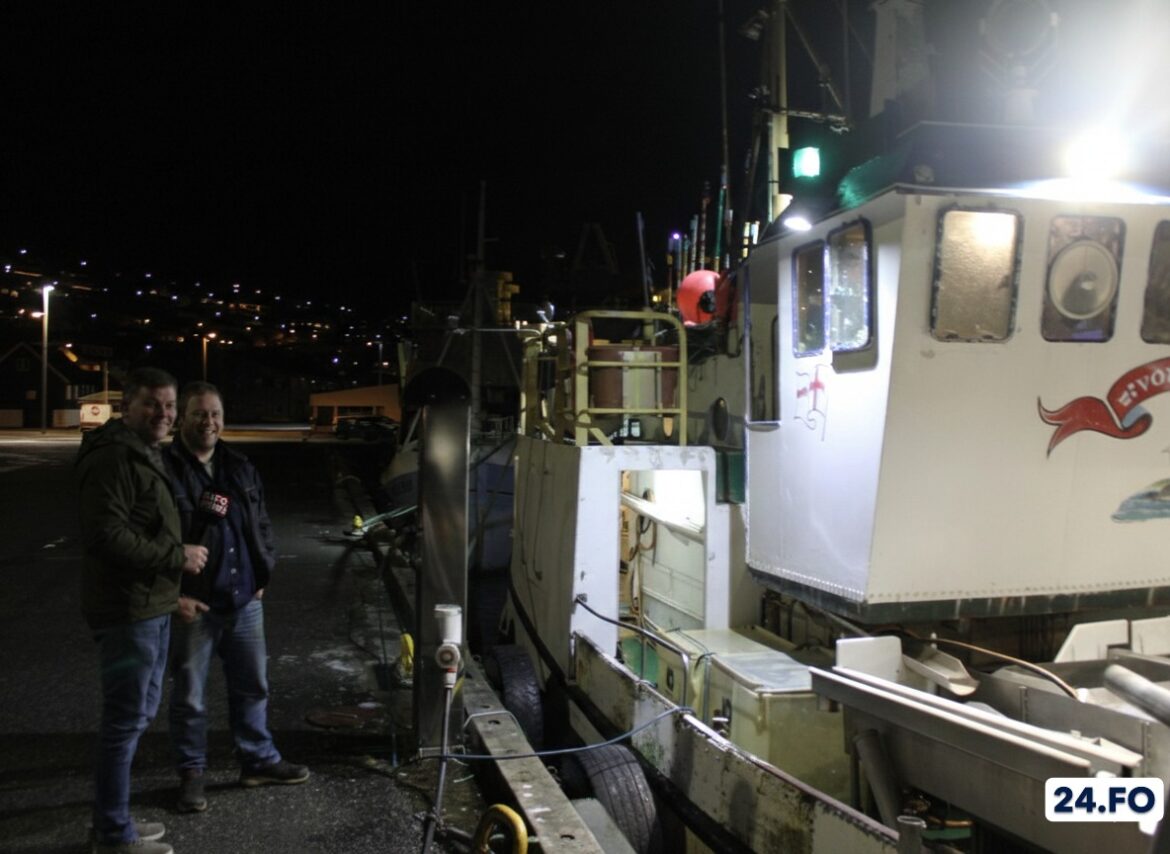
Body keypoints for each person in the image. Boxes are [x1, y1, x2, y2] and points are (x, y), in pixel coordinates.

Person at [77, 367, 209, 854]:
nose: (164, 414)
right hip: (128, 612)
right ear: (126, 407)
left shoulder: (140, 452)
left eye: (170, 405)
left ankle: (116, 821)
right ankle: (112, 833)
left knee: (135, 716)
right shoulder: (115, 458)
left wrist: (170, 595)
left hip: (147, 606)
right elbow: (106, 536)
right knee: (125, 719)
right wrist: (177, 557)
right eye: (152, 403)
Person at [164, 381, 308, 814]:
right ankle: (192, 773)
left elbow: (261, 522)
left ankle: (257, 760)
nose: (208, 422)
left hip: (244, 597)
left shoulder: (240, 466)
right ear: (182, 418)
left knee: (253, 686)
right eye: (199, 414)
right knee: (190, 695)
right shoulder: (164, 469)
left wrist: (262, 573)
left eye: (215, 414)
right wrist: (172, 594)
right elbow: (151, 536)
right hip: (193, 603)